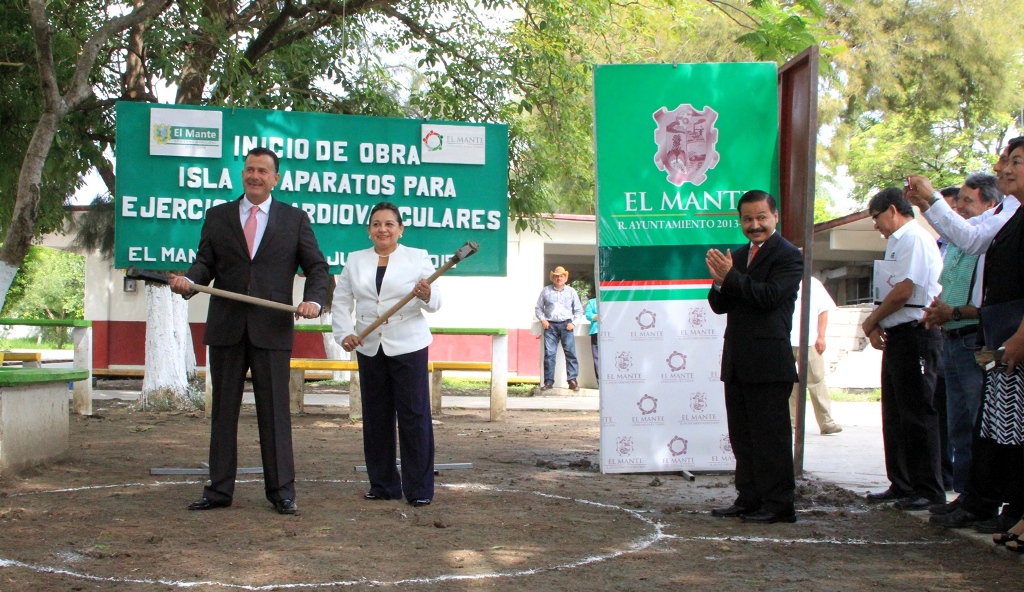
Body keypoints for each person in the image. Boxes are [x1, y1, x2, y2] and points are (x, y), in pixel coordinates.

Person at [170, 147, 329, 515]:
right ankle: (219, 491)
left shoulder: (295, 219)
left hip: (271, 328)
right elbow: (204, 262)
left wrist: (314, 302)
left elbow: (317, 268)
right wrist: (190, 281)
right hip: (226, 326)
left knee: (275, 413)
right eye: (249, 170)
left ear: (276, 178)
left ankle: (282, 492)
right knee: (223, 412)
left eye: (262, 171)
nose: (254, 176)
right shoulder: (219, 216)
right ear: (242, 174)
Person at [905, 138, 1024, 536]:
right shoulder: (1012, 211)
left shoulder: (1007, 215)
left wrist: (931, 201)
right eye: (1006, 160)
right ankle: (983, 500)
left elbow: (971, 238)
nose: (1005, 167)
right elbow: (968, 238)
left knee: (1000, 426)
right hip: (994, 329)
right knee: (988, 427)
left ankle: (999, 504)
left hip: (1006, 331)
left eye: (1016, 161)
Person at [333, 202, 441, 507]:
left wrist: (427, 293)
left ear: (400, 229)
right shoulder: (355, 261)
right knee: (376, 416)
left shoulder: (417, 258)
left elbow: (436, 302)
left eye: (389, 224)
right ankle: (383, 484)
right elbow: (341, 301)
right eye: (377, 224)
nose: (383, 229)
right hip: (369, 345)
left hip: (409, 344)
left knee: (414, 415)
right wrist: (344, 333)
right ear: (369, 230)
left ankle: (419, 489)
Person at [706, 190, 803, 524]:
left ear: (775, 216)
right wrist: (719, 283)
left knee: (771, 438)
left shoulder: (788, 255)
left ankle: (779, 504)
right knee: (743, 437)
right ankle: (748, 498)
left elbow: (770, 297)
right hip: (737, 360)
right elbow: (720, 305)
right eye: (748, 219)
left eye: (761, 217)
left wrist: (731, 278)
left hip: (769, 362)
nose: (755, 225)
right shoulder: (736, 255)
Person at [861, 187, 945, 511]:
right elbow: (888, 293)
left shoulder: (914, 238)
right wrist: (880, 323)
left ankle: (928, 489)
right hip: (898, 335)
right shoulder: (897, 243)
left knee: (918, 413)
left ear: (894, 210)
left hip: (917, 334)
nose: (876, 225)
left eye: (877, 217)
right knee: (895, 414)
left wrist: (870, 321)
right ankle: (902, 482)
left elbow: (903, 292)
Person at [921, 173, 1000, 510]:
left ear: (991, 206)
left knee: (978, 421)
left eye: (969, 201)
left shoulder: (986, 241)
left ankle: (983, 498)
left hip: (972, 339)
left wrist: (952, 313)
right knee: (957, 425)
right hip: (951, 338)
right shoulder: (955, 244)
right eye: (959, 202)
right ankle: (966, 494)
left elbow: (987, 301)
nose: (961, 208)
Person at [790, 276, 842, 435]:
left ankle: (826, 422)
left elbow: (823, 310)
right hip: (785, 340)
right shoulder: (781, 279)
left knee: (817, 381)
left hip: (809, 341)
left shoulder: (813, 283)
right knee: (789, 384)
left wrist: (821, 336)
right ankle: (790, 422)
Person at [535, 266, 584, 391]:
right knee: (549, 354)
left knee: (571, 353)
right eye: (557, 276)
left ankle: (572, 380)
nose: (559, 278)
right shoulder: (546, 291)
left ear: (565, 278)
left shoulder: (571, 292)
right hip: (550, 325)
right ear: (553, 278)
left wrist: (573, 323)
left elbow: (578, 310)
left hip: (566, 326)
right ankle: (548, 382)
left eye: (561, 276)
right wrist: (543, 319)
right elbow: (538, 308)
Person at [585, 293, 599, 385]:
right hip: (596, 332)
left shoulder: (612, 300)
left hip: (613, 333)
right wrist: (596, 317)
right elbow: (588, 315)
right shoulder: (592, 302)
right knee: (597, 358)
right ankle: (600, 383)